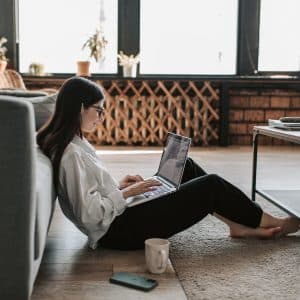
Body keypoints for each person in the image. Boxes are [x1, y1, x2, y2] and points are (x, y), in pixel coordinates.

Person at [37, 77, 300, 250]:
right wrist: (127, 193)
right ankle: (266, 220)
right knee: (211, 186)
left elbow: (89, 196)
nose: (102, 117)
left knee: (187, 166)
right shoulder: (71, 153)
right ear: (81, 107)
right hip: (116, 232)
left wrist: (119, 187)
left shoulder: (75, 143)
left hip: (118, 217)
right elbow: (89, 215)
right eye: (100, 110)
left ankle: (236, 225)